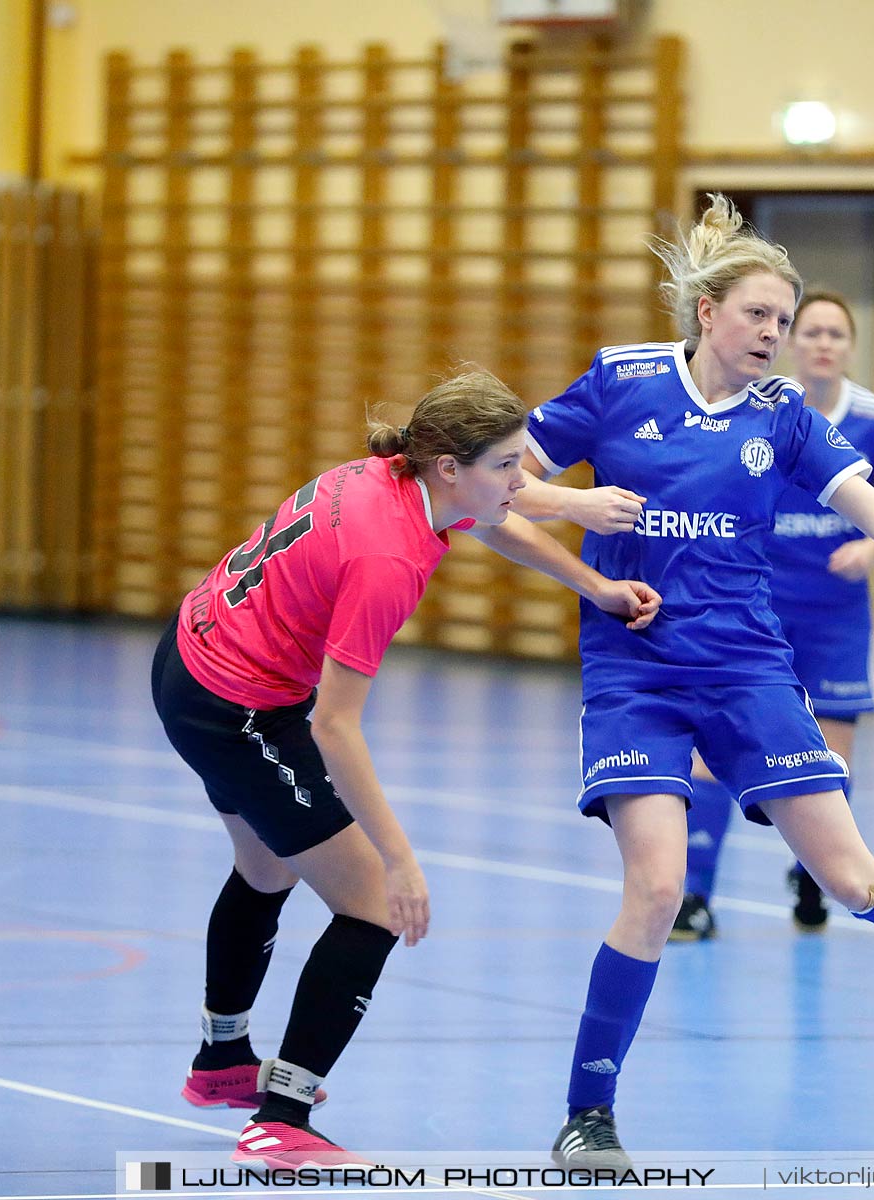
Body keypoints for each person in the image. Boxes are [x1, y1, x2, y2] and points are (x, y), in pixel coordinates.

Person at [524, 195, 874, 1170]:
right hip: (635, 669)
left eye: (783, 324)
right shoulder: (620, 382)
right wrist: (578, 506)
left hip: (746, 669)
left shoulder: (782, 418)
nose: (774, 337)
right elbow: (498, 483)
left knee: (850, 876)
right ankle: (588, 1118)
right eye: (758, 317)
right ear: (706, 314)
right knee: (654, 888)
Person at [151, 369, 659, 1168]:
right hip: (238, 707)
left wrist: (594, 587)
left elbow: (495, 519)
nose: (521, 480)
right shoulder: (388, 554)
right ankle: (280, 1119)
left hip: (193, 657)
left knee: (267, 868)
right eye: (507, 466)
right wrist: (398, 861)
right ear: (450, 467)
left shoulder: (397, 477)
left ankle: (223, 1061)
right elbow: (335, 726)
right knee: (374, 908)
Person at [673, 289, 874, 940]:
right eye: (809, 331)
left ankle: (814, 880)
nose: (821, 343)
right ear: (792, 340)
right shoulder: (759, 407)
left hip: (835, 615)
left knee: (827, 760)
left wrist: (869, 547)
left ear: (849, 346)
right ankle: (693, 896)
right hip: (756, 608)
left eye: (835, 334)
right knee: (712, 752)